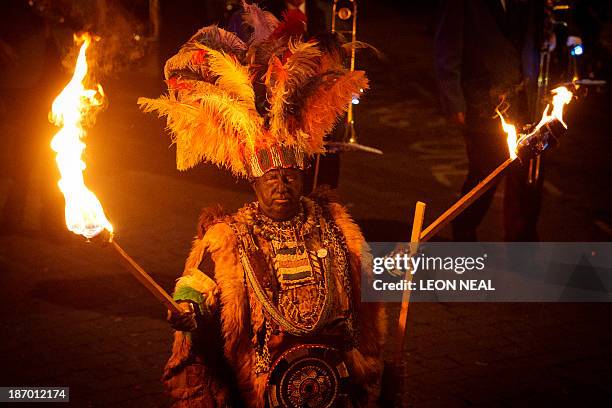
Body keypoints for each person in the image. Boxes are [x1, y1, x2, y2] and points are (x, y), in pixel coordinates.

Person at [139, 4, 385, 407]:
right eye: (271, 179)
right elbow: (195, 288)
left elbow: (365, 308)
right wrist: (188, 308)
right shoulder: (227, 239)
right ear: (254, 183)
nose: (282, 187)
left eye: (290, 177)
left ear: (304, 176)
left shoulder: (337, 228)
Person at [434, 0, 579, 241]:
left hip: (525, 99)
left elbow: (532, 41)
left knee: (527, 179)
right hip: (483, 102)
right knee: (485, 174)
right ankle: (464, 231)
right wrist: (453, 100)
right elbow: (446, 47)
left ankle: (521, 243)